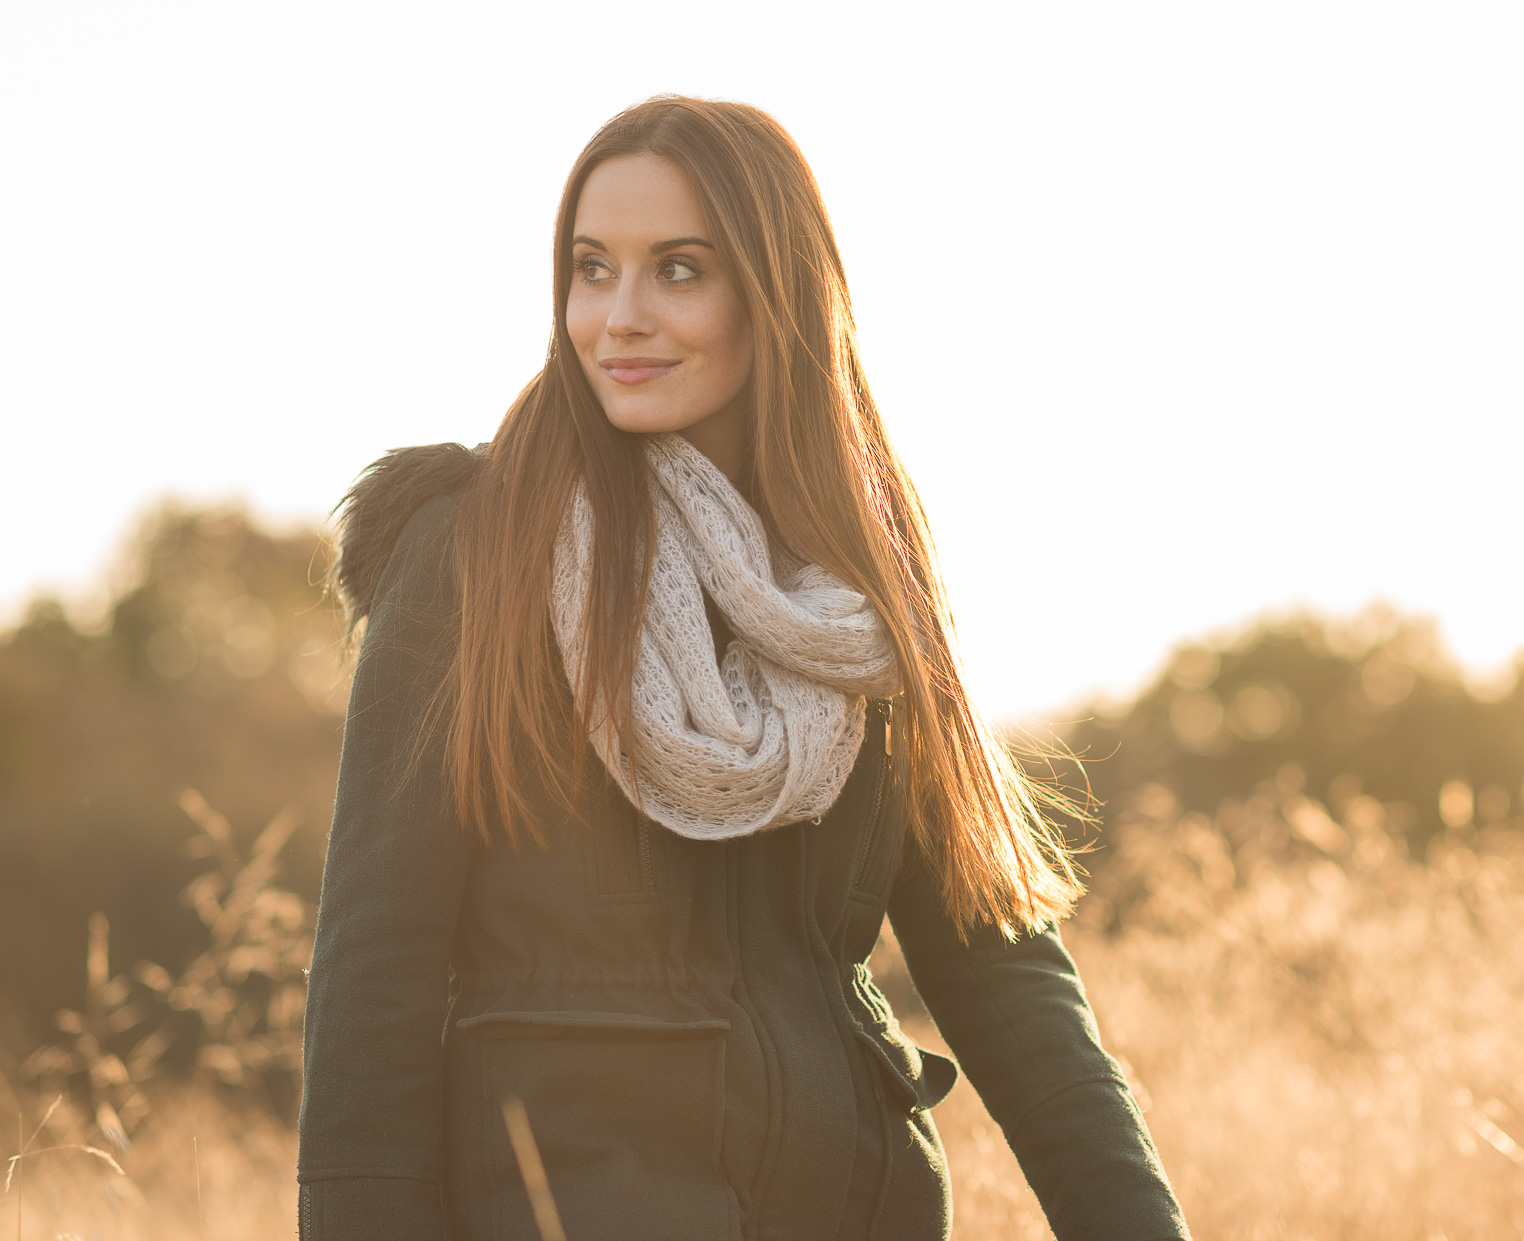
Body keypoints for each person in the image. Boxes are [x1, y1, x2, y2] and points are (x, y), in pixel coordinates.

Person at [295, 95, 1189, 1241]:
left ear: (777, 292)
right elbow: (375, 963)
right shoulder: (480, 546)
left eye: (677, 270)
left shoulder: (861, 587)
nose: (618, 317)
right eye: (590, 267)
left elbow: (999, 963)